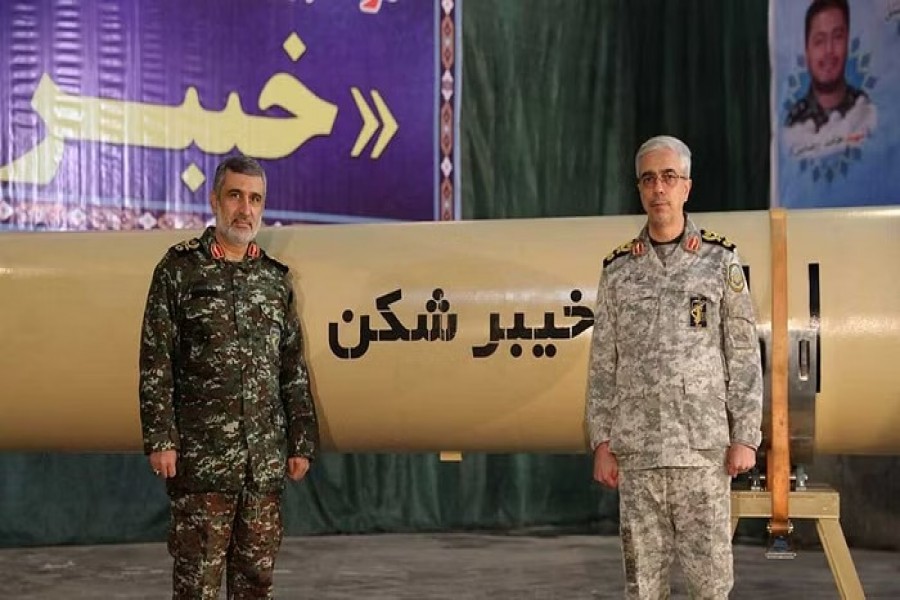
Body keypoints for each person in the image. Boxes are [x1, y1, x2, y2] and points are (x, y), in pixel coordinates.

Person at [585, 135, 763, 599]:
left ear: (687, 187)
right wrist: (602, 441)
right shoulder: (618, 270)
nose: (658, 189)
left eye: (668, 177)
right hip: (638, 454)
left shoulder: (721, 261)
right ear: (640, 189)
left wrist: (745, 435)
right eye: (648, 179)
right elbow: (604, 361)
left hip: (702, 453)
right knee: (642, 587)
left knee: (711, 585)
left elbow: (742, 352)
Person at [139, 154, 319, 599]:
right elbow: (156, 358)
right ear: (215, 200)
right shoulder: (179, 270)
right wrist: (161, 437)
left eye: (255, 199)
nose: (245, 208)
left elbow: (291, 369)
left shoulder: (274, 281)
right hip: (203, 466)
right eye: (236, 196)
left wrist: (301, 441)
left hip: (262, 466)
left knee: (256, 585)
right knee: (197, 586)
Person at [785, 0, 867, 132]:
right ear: (807, 52)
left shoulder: (866, 110)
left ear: (847, 44)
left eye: (837, 37)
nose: (829, 50)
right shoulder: (793, 124)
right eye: (819, 41)